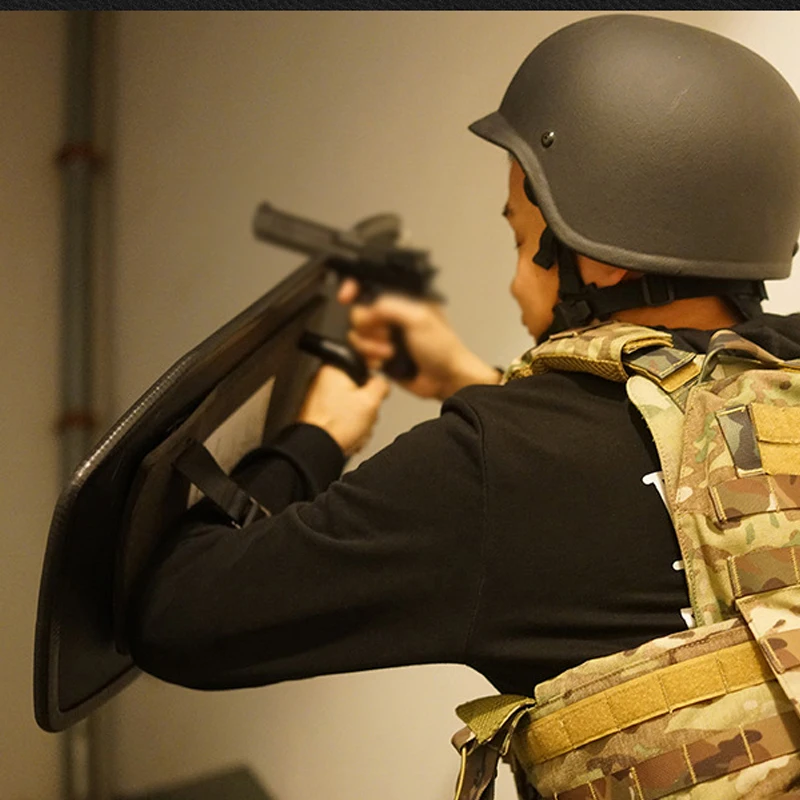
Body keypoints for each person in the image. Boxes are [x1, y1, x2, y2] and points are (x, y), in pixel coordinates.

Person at [128, 13, 800, 798]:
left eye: (520, 239)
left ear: (601, 266)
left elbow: (178, 616)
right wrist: (468, 377)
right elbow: (645, 455)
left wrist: (317, 437)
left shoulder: (491, 468)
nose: (514, 283)